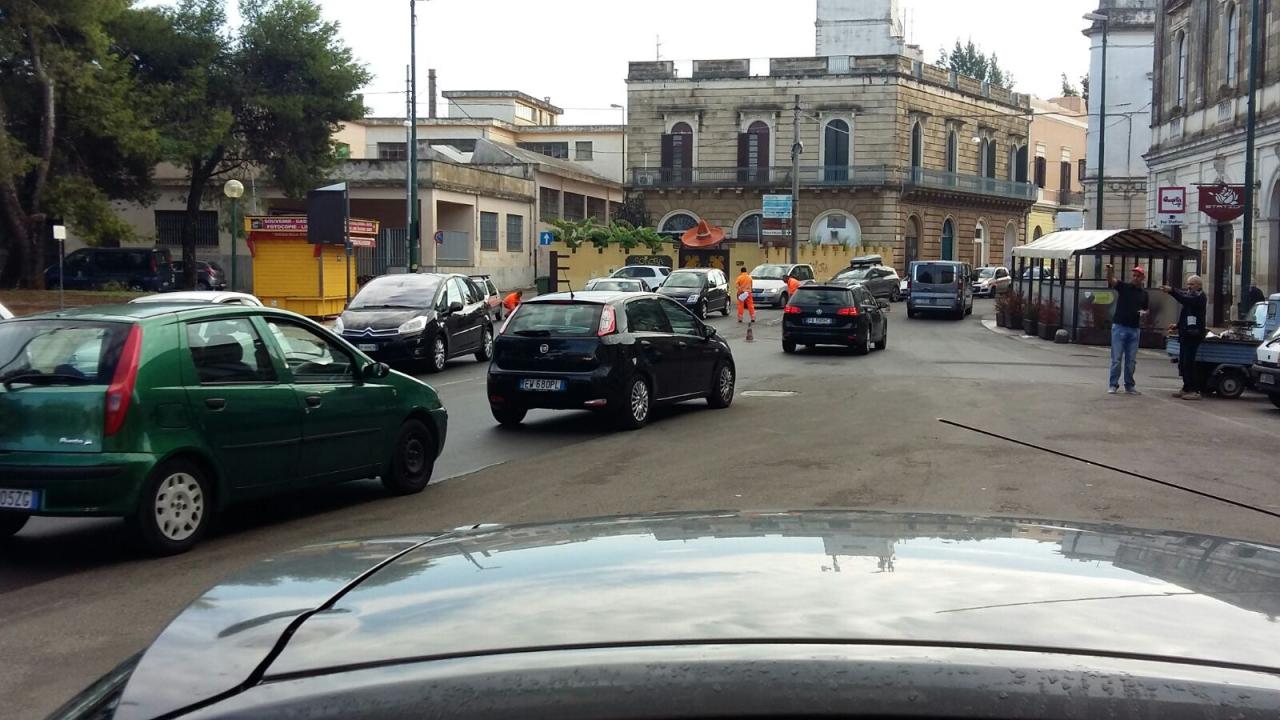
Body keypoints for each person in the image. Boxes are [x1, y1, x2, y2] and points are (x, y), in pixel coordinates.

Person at [1161, 275, 1207, 401]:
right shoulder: (1190, 296)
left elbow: (1184, 299)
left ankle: (1195, 390)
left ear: (1198, 285)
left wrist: (1171, 291)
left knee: (1189, 363)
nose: (1189, 287)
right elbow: (1185, 314)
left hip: (1194, 334)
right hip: (1186, 333)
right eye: (1188, 284)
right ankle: (1186, 388)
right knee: (1183, 363)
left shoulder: (1199, 297)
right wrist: (1177, 326)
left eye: (1191, 284)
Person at [1105, 263, 1149, 395]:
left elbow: (1146, 309)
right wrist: (1110, 271)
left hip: (1134, 328)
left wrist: (1144, 313)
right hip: (1120, 326)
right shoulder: (1124, 287)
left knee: (1131, 361)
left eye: (1138, 276)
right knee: (1117, 358)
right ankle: (1113, 384)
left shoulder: (1144, 294)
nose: (1135, 278)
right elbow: (1112, 281)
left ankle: (1129, 385)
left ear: (1143, 278)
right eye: (1134, 275)